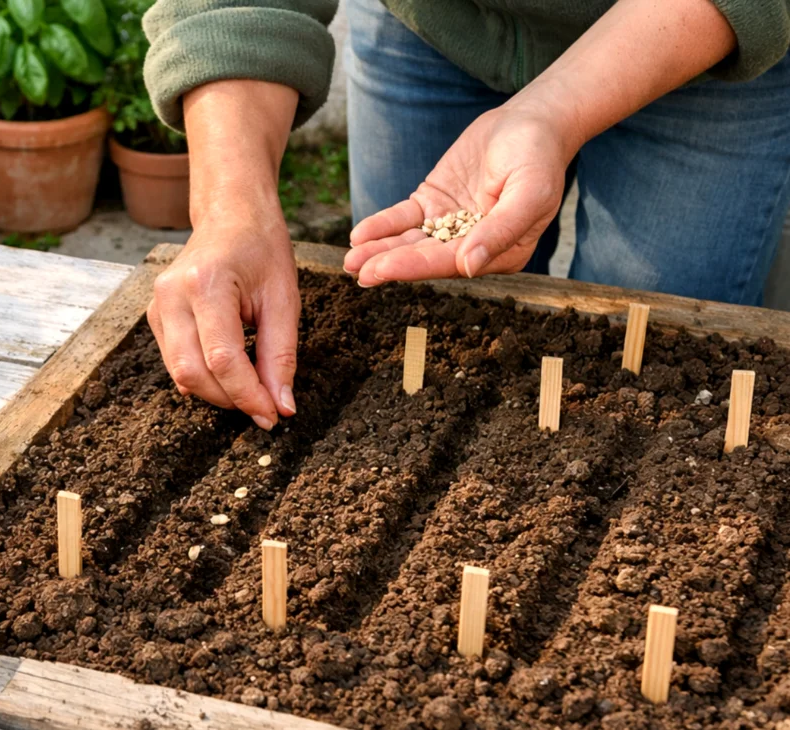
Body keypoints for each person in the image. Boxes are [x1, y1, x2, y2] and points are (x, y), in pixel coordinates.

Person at [140, 0, 790, 431]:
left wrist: (549, 112)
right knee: (413, 316)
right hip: (436, 23)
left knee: (651, 376)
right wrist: (230, 208)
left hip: (703, 39)